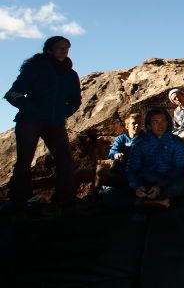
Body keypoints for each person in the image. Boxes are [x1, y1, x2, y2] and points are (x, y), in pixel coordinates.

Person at [3, 36, 81, 212]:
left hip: (55, 123)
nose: (64, 51)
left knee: (65, 159)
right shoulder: (35, 68)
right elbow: (13, 94)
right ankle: (18, 202)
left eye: (67, 47)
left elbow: (75, 101)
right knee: (24, 160)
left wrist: (63, 113)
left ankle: (66, 199)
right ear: (49, 50)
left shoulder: (71, 75)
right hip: (30, 121)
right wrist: (32, 110)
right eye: (60, 47)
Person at [126, 107, 184, 208]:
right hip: (146, 182)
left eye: (163, 121)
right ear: (149, 125)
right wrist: (137, 186)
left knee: (180, 186)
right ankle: (156, 202)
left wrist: (160, 187)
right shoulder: (139, 144)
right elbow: (131, 169)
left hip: (168, 181)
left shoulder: (177, 142)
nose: (160, 125)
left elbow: (179, 168)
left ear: (168, 123)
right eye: (156, 122)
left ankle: (147, 203)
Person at [99, 112, 142, 189]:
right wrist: (116, 154)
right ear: (127, 126)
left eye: (139, 123)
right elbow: (112, 152)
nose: (137, 125)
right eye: (134, 123)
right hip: (122, 169)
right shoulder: (121, 138)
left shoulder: (147, 139)